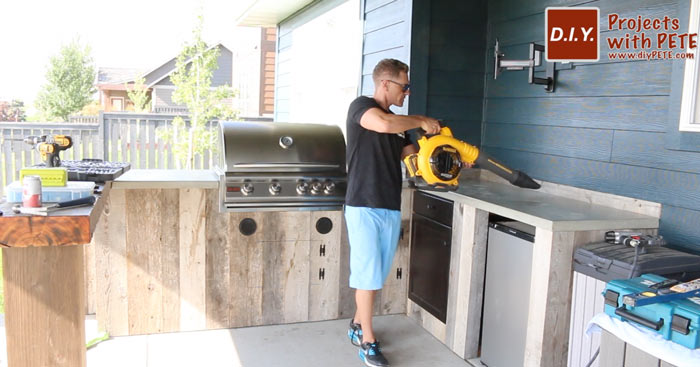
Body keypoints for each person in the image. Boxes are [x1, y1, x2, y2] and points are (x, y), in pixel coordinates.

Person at [344, 58, 441, 367]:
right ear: (385, 83)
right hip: (363, 204)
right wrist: (421, 119)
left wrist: (446, 156)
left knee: (376, 274)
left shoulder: (401, 128)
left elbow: (417, 161)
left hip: (389, 206)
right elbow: (383, 123)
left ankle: (358, 325)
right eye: (405, 86)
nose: (407, 92)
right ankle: (368, 343)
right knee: (368, 273)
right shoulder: (362, 107)